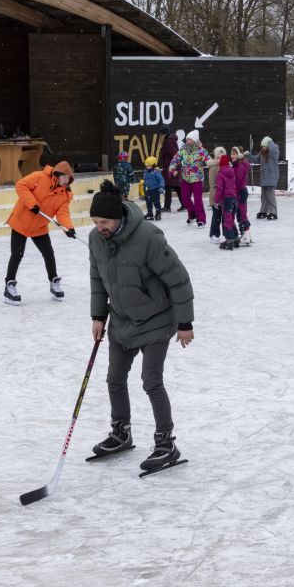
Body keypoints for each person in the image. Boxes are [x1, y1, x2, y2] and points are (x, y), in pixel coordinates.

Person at [86, 180, 195, 474]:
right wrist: (98, 316)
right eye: (95, 222)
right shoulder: (96, 240)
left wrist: (185, 322)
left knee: (151, 380)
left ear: (118, 217)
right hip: (122, 321)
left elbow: (178, 278)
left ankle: (166, 443)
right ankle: (121, 432)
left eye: (104, 222)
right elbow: (98, 279)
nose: (99, 227)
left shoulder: (148, 237)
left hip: (157, 320)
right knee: (114, 379)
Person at [3, 160, 77, 305]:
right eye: (63, 177)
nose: (65, 180)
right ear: (56, 175)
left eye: (68, 178)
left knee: (48, 253)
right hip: (20, 222)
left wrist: (68, 228)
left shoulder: (65, 195)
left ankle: (54, 282)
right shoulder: (39, 177)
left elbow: (62, 213)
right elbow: (21, 185)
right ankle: (9, 286)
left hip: (39, 227)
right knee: (17, 254)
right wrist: (32, 203)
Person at [168, 130, 209, 227]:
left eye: (190, 139)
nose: (188, 141)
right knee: (185, 198)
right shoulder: (183, 149)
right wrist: (171, 168)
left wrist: (217, 164)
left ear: (195, 140)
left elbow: (209, 161)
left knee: (198, 200)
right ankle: (192, 214)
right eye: (187, 139)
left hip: (197, 179)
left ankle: (201, 219)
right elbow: (176, 159)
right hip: (185, 178)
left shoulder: (201, 151)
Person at [246, 136, 280, 220]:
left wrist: (269, 143)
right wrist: (248, 155)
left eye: (264, 146)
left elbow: (273, 149)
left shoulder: (274, 151)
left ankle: (273, 212)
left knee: (270, 195)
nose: (263, 148)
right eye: (263, 146)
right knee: (264, 196)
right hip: (264, 177)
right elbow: (255, 159)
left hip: (271, 177)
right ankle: (264, 210)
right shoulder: (263, 153)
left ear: (268, 145)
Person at [215, 154, 241, 250]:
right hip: (234, 198)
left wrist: (216, 200)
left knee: (227, 219)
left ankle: (229, 239)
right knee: (231, 218)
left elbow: (220, 189)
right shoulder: (232, 171)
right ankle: (235, 237)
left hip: (227, 199)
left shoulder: (221, 174)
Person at [229, 145, 252, 243]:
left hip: (240, 192)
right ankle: (246, 234)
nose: (232, 156)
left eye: (234, 154)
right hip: (239, 192)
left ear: (239, 155)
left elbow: (237, 181)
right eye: (231, 154)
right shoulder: (237, 165)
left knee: (242, 214)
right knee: (240, 213)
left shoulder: (240, 166)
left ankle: (245, 235)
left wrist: (229, 184)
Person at [207, 146, 226, 242]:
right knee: (217, 216)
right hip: (216, 197)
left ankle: (226, 234)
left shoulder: (224, 165)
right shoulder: (215, 166)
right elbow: (213, 184)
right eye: (220, 154)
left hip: (224, 195)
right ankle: (214, 234)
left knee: (224, 216)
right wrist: (215, 199)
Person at [161, 129, 181, 212]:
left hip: (171, 167)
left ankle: (167, 206)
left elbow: (175, 155)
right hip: (170, 166)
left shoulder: (169, 142)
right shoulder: (169, 141)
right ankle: (185, 204)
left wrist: (175, 168)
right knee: (176, 186)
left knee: (168, 186)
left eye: (161, 134)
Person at [142, 155, 165, 221]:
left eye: (149, 166)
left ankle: (158, 213)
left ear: (153, 165)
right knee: (148, 202)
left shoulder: (156, 172)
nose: (147, 167)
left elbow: (161, 180)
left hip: (155, 190)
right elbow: (145, 181)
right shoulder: (146, 172)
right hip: (148, 190)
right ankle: (150, 213)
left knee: (156, 202)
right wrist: (144, 188)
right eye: (146, 166)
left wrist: (161, 187)